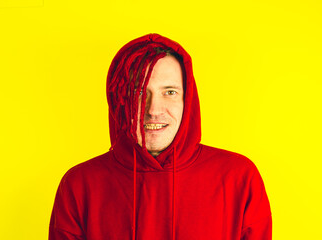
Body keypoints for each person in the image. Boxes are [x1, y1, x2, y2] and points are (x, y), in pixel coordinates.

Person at [49, 33, 272, 240]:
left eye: (170, 92)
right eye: (138, 92)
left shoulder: (239, 178)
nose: (153, 109)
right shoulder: (79, 184)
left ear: (188, 100)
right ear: (119, 101)